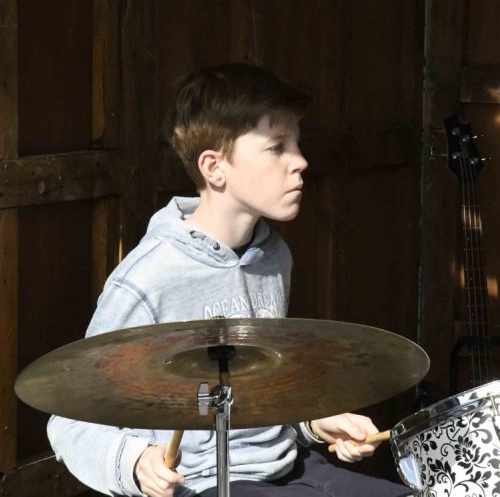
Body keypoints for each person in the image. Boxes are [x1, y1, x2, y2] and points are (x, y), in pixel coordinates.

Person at [47, 63, 410, 497]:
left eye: (297, 143)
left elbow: (260, 394)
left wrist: (315, 422)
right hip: (202, 485)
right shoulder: (149, 278)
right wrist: (135, 463)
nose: (300, 161)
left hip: (288, 469)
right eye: (277, 147)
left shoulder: (273, 256)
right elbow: (69, 420)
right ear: (214, 168)